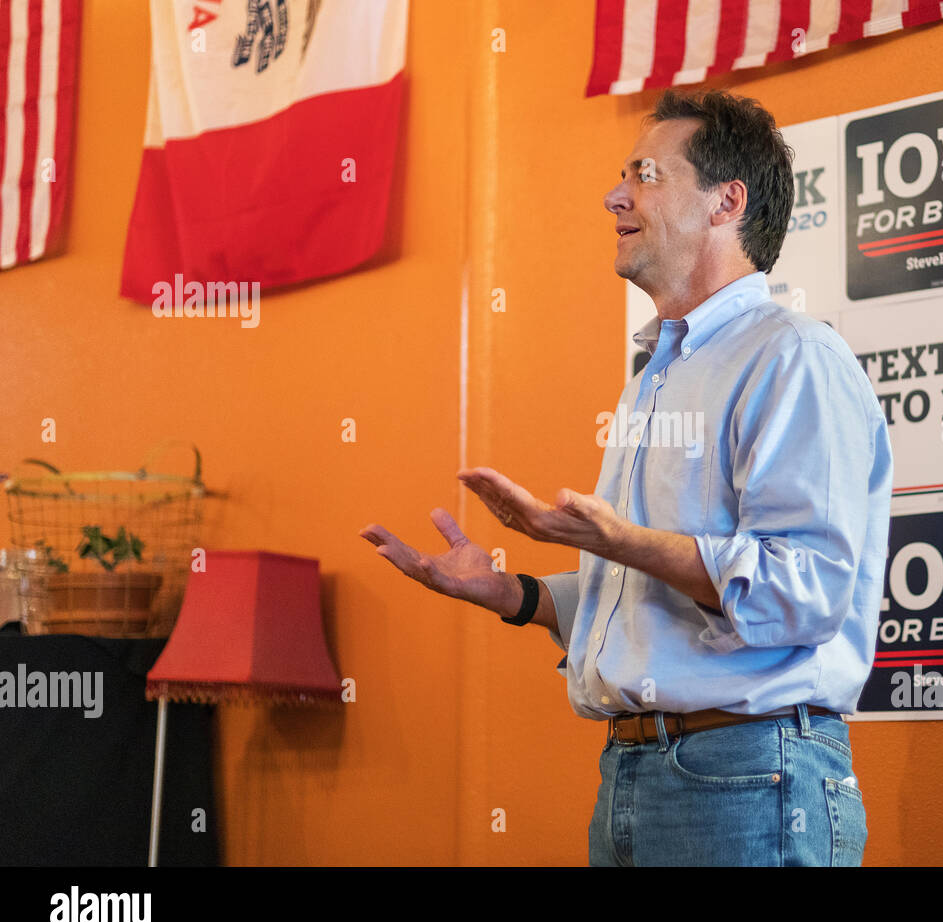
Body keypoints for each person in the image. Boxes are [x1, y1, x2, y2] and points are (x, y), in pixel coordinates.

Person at [360, 89, 892, 866]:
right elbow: (651, 603)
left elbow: (799, 592)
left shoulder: (792, 357)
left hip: (749, 780)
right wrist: (516, 595)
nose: (615, 195)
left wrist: (625, 540)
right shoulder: (656, 373)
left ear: (726, 202)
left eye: (644, 173)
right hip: (632, 774)